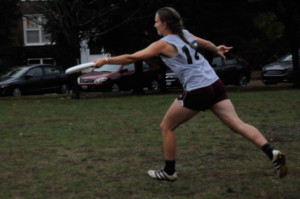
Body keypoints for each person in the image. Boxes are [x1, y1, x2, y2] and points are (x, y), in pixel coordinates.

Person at [92, 7, 287, 181]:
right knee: (238, 124)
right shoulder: (185, 34)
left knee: (166, 126)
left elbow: (133, 57)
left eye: (156, 21)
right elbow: (206, 43)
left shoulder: (163, 43)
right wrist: (216, 48)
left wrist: (106, 60)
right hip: (215, 84)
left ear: (165, 24)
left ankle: (169, 171)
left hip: (198, 89)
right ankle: (272, 152)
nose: (155, 24)